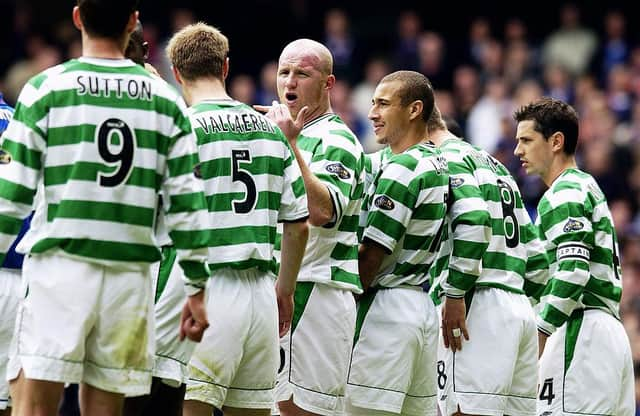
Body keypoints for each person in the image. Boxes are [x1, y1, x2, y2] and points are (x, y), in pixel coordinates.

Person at [0, 1, 212, 414]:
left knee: (35, 406)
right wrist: (197, 286)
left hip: (60, 268)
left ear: (77, 18)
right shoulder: (165, 100)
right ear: (133, 20)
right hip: (129, 278)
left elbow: (12, 197)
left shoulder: (46, 88)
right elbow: (187, 205)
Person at [166, 24, 309, 416]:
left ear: (176, 73)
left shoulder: (183, 128)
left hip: (204, 291)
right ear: (226, 68)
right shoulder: (271, 131)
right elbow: (298, 224)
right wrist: (285, 291)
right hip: (261, 294)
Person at [255, 38, 366, 416]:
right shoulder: (275, 135)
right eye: (284, 72)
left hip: (317, 290)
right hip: (280, 288)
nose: (290, 81)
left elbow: (322, 211)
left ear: (328, 83)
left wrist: (289, 146)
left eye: (303, 73)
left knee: (301, 410)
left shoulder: (338, 139)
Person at [514, 97, 635, 416]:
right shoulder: (586, 186)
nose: (518, 151)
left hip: (580, 335)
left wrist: (539, 336)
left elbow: (572, 273)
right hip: (608, 332)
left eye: (526, 140)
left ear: (556, 141)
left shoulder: (563, 193)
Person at [428, 101, 549, 416]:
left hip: (475, 306)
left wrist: (455, 293)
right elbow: (537, 260)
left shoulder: (443, 158)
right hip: (518, 308)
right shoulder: (495, 167)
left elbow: (474, 220)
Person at [346, 70, 448, 416]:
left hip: (385, 311)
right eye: (373, 103)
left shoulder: (404, 167)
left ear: (414, 109)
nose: (372, 112)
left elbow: (370, 257)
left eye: (383, 104)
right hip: (420, 306)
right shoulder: (435, 161)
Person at [120, 17, 197, 416]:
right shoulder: (168, 104)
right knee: (159, 386)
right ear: (147, 53)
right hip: (154, 259)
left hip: (92, 252)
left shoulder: (66, 88)